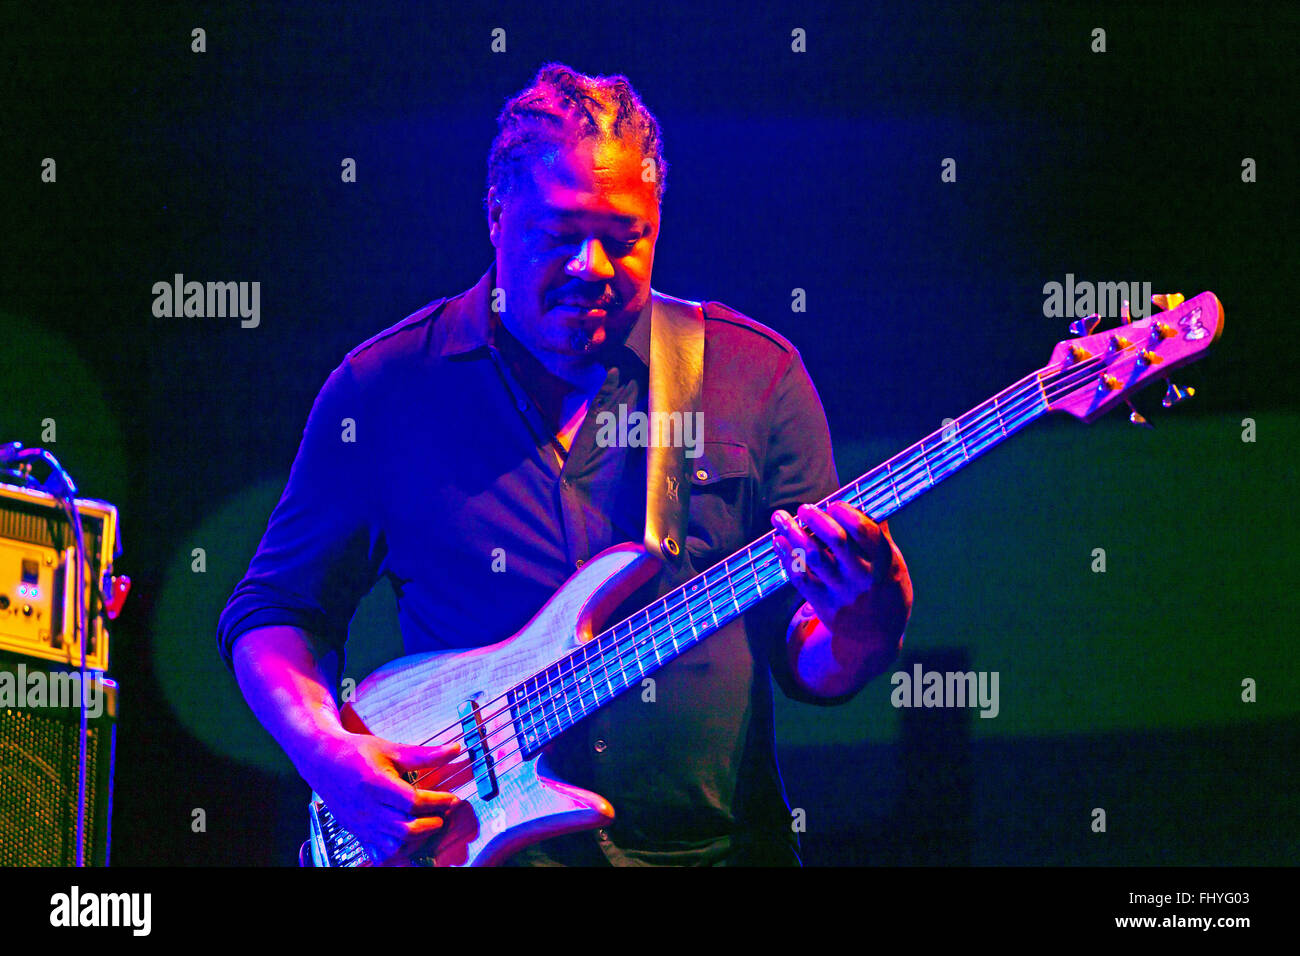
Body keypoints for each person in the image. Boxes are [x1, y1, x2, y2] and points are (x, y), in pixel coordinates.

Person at [216, 62, 912, 867]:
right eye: (559, 234)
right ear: (495, 216)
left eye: (625, 239)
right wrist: (326, 755)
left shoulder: (755, 374)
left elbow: (810, 664)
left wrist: (869, 618)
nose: (592, 266)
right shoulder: (385, 387)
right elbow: (275, 610)